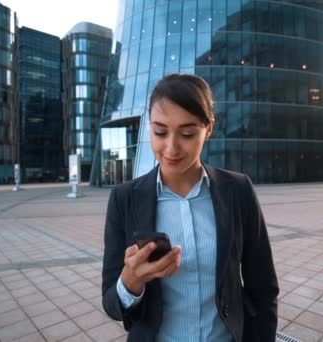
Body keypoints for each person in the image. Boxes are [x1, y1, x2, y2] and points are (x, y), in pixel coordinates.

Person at [102, 73, 279, 341]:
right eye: (160, 132)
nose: (171, 147)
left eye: (187, 133)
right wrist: (131, 281)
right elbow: (112, 305)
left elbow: (263, 287)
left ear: (208, 129)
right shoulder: (124, 199)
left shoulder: (238, 190)